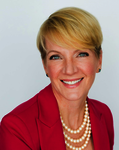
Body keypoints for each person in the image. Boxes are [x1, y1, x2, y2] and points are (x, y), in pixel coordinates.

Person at [0, 7, 114, 150]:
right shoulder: (16, 128)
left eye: (81, 54)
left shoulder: (104, 114)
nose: (70, 70)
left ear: (99, 60)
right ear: (45, 66)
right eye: (56, 57)